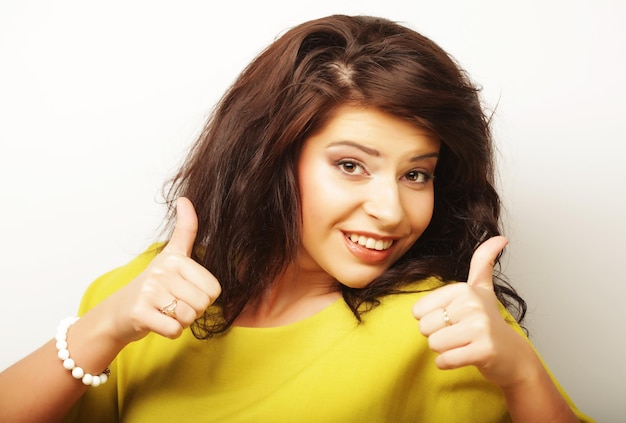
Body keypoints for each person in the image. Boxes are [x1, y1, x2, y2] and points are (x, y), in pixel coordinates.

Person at [0, 14, 592, 422]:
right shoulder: (152, 290)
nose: (391, 211)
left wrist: (521, 376)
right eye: (352, 166)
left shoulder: (447, 326)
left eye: (417, 174)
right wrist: (100, 330)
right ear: (272, 160)